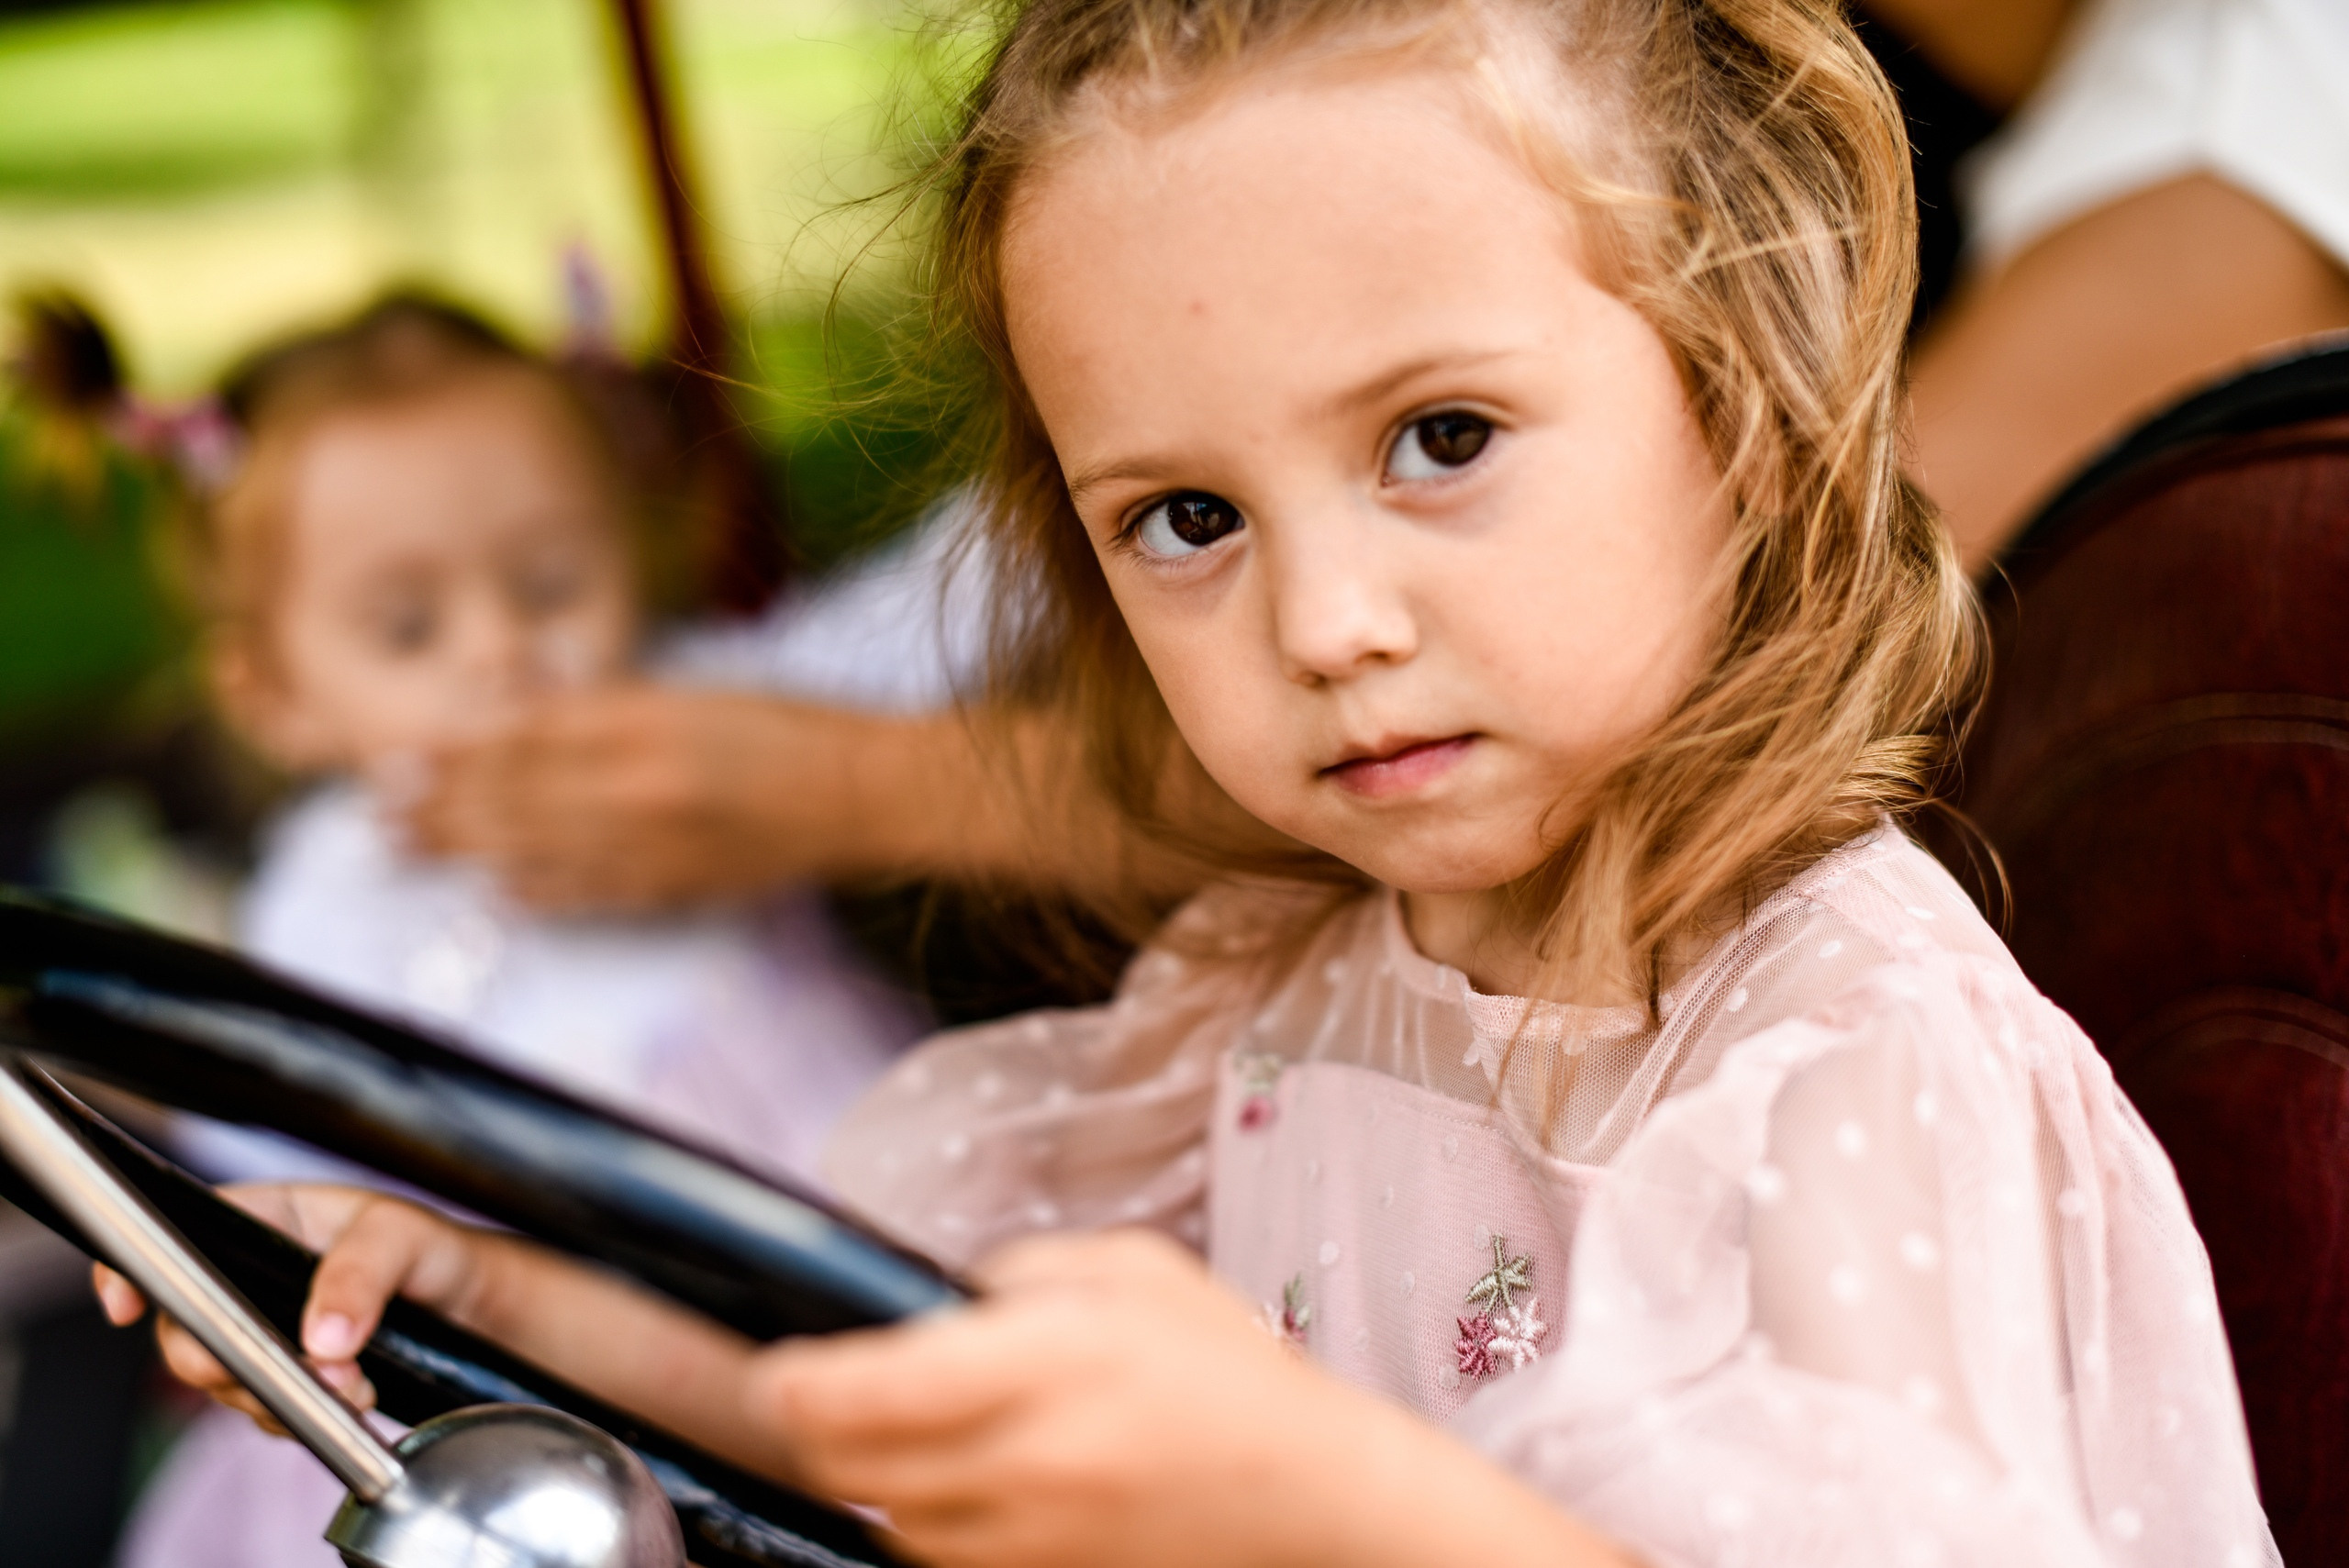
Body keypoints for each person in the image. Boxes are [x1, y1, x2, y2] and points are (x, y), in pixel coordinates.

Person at [103, 2, 2276, 1564]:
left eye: (1440, 441)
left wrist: (1308, 1505)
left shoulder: (1837, 1058)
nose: (1322, 620)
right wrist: (482, 1303)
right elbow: (883, 1410)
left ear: (1752, 416)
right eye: (1186, 522)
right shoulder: (1289, 995)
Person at [113, 296, 924, 1568]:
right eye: (409, 626)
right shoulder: (318, 903)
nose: (500, 648)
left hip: (830, 1268)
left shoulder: (708, 722)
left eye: (550, 583)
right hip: (509, 1405)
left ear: (635, 550)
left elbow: (940, 622)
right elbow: (266, 1147)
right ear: (272, 692)